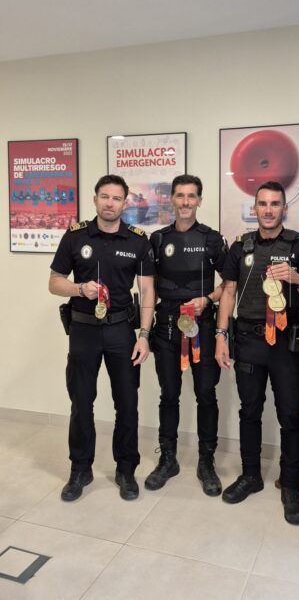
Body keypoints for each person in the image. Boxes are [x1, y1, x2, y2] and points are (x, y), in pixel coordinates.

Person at [49, 174, 155, 502]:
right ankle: (80, 469)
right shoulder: (75, 236)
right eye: (104, 197)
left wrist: (144, 335)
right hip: (83, 330)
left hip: (122, 330)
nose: (110, 203)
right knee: (81, 402)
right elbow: (54, 282)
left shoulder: (138, 241)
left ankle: (126, 470)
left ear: (125, 203)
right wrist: (80, 288)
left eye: (117, 198)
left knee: (127, 403)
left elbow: (148, 291)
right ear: (95, 199)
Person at [215, 181, 299, 525]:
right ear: (254, 208)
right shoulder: (240, 245)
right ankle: (250, 475)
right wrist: (220, 336)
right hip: (248, 341)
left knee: (290, 415)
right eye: (263, 204)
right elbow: (228, 292)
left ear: (284, 209)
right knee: (249, 411)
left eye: (275, 204)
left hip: (286, 344)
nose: (269, 210)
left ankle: (290, 485)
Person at [145, 174, 228, 496]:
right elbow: (148, 287)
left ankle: (206, 462)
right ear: (171, 199)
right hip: (167, 327)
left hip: (202, 327)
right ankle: (168, 459)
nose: (185, 202)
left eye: (191, 196)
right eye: (179, 196)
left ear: (199, 200)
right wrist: (145, 330)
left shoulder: (212, 239)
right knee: (169, 395)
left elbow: (229, 284)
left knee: (206, 394)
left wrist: (208, 299)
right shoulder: (157, 239)